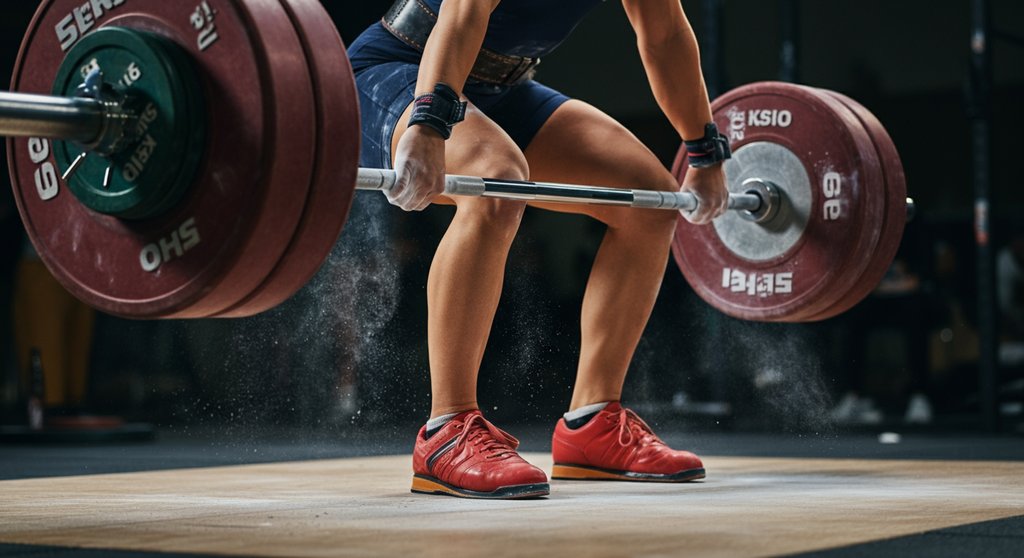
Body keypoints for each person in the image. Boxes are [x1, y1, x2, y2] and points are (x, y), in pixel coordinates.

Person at [347, 0, 729, 499]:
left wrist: (703, 150)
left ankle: (593, 423)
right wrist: (428, 122)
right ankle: (447, 430)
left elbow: (663, 35)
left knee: (649, 202)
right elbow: (463, 17)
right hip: (401, 70)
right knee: (499, 180)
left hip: (502, 89)